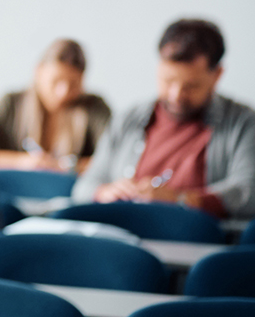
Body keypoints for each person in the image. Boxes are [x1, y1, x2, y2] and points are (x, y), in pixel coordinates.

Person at [72, 19, 255, 219]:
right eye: (168, 80)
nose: (176, 95)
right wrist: (104, 193)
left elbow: (248, 191)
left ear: (217, 75)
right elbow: (84, 187)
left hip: (198, 241)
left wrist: (183, 200)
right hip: (123, 235)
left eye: (191, 86)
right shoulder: (129, 119)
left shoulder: (243, 124)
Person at [0, 38, 111, 173]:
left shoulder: (94, 108)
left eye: (73, 84)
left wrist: (65, 166)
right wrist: (21, 162)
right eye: (55, 81)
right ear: (39, 71)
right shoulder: (10, 104)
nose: (63, 93)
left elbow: (115, 157)